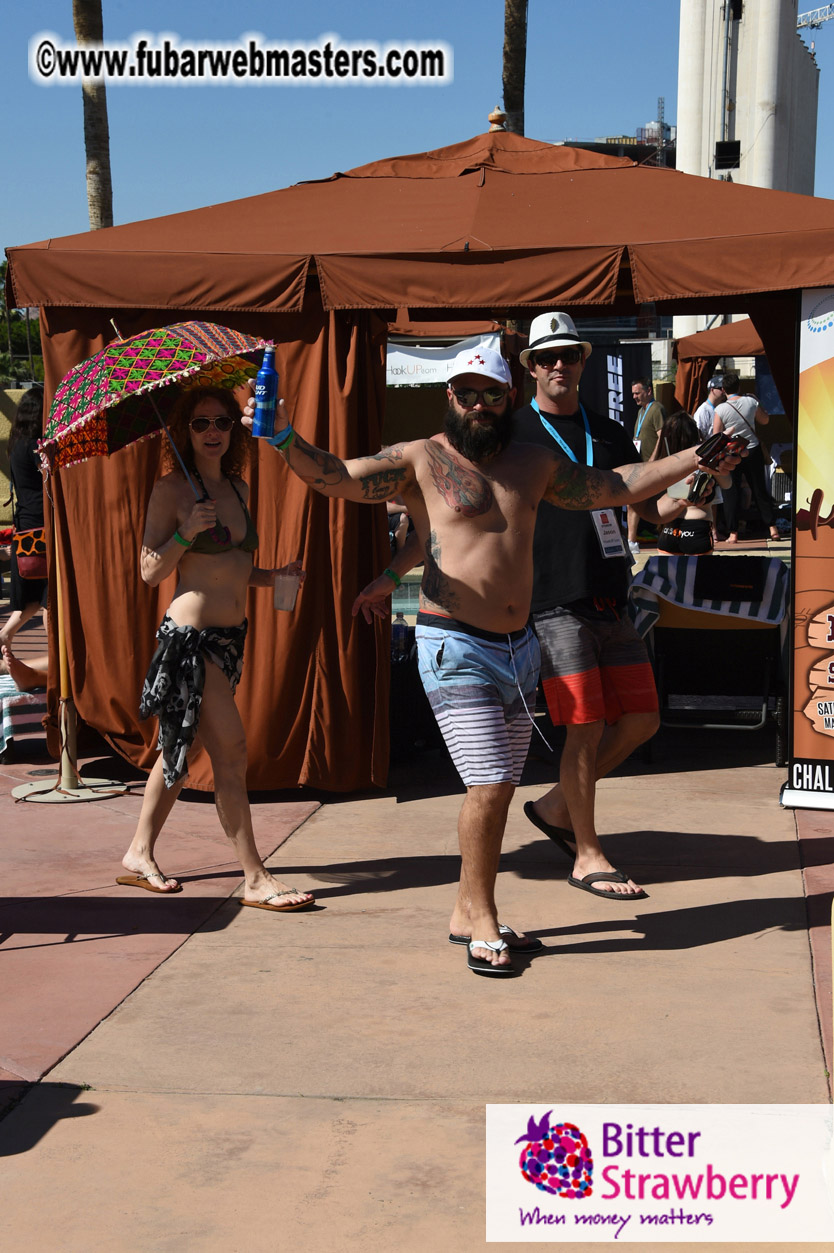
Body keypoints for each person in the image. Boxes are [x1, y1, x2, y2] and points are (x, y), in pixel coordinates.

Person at [245, 346, 737, 975]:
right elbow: (340, 476)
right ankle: (481, 920)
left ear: (508, 400)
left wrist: (696, 456)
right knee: (491, 783)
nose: (478, 405)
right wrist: (284, 436)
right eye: (466, 394)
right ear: (449, 399)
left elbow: (614, 487)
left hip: (519, 647)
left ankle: (464, 909)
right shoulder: (422, 459)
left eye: (491, 395)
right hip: (454, 645)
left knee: (501, 788)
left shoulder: (534, 464)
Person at [118, 385, 314, 912]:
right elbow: (148, 571)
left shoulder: (239, 488)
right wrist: (184, 533)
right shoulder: (171, 491)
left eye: (223, 423)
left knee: (176, 749)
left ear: (235, 431)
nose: (212, 432)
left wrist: (277, 578)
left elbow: (237, 570)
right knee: (230, 753)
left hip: (231, 641)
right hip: (190, 641)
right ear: (185, 429)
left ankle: (139, 852)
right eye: (202, 423)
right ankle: (255, 876)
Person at [1, 386, 48, 651]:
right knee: (50, 599)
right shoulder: (38, 447)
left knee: (31, 599)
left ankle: (3, 637)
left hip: (25, 529)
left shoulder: (16, 444)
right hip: (43, 528)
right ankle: (59, 667)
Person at [712, 370, 779, 544]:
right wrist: (757, 402)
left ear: (723, 389)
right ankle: (773, 528)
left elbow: (717, 434)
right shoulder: (750, 401)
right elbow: (765, 421)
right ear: (739, 386)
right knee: (759, 489)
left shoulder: (720, 408)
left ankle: (733, 533)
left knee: (731, 492)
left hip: (731, 453)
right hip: (752, 450)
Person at [653, 411, 730, 556]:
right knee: (698, 578)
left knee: (669, 577)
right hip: (697, 527)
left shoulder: (663, 462)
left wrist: (661, 444)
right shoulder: (703, 459)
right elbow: (727, 484)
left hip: (669, 529)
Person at [626, 376, 666, 554]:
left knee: (635, 502)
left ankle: (632, 541)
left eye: (638, 393)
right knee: (634, 502)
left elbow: (662, 434)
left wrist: (653, 459)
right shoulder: (642, 410)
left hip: (652, 465)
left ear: (649, 391)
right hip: (641, 464)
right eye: (633, 393)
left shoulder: (656, 408)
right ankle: (632, 540)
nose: (634, 396)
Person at [692, 375, 726, 440]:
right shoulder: (703, 410)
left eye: (725, 389)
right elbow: (699, 436)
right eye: (721, 388)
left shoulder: (721, 407)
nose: (724, 391)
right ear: (712, 390)